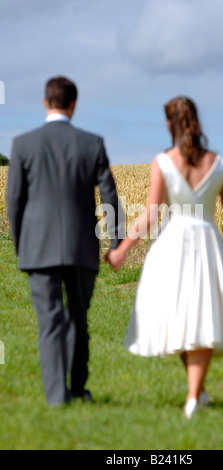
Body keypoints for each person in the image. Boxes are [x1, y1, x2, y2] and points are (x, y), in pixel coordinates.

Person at [106, 96, 223, 419]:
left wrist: (122, 249)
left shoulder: (162, 161)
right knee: (202, 315)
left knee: (179, 315)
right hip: (207, 242)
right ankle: (198, 394)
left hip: (172, 243)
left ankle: (192, 396)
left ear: (168, 124)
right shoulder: (219, 164)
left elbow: (151, 212)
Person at [7, 76, 125, 406]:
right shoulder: (92, 143)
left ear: (45, 103)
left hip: (38, 248)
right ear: (74, 104)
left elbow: (14, 201)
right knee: (78, 319)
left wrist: (22, 245)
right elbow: (109, 195)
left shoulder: (23, 144)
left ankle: (57, 397)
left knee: (49, 322)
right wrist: (116, 242)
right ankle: (77, 389)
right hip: (82, 246)